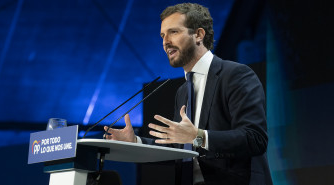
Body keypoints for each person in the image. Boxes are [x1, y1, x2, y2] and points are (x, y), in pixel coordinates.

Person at [104, 3, 273, 185]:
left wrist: (198, 136)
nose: (165, 41)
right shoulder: (183, 91)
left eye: (173, 32)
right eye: (162, 35)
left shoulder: (236, 75)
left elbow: (255, 139)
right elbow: (179, 149)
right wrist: (135, 141)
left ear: (199, 35)